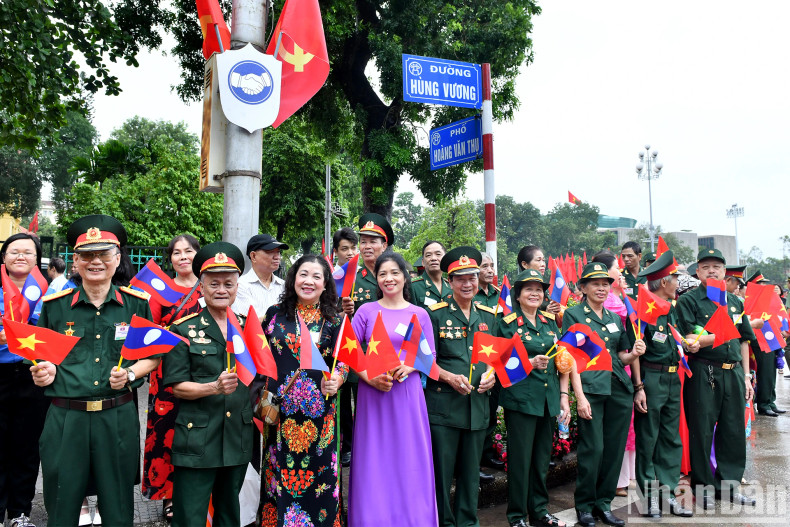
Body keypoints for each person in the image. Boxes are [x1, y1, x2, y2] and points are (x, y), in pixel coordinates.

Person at [31, 215, 159, 527]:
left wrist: (129, 375)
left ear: (118, 259)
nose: (95, 261)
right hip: (66, 419)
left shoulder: (136, 304)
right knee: (61, 506)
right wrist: (42, 373)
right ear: (74, 261)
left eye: (103, 254)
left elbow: (152, 355)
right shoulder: (55, 305)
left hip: (116, 417)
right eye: (86, 255)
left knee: (117, 508)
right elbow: (42, 358)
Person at [163, 242, 253, 527]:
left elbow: (259, 377)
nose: (222, 289)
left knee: (229, 515)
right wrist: (213, 388)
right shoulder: (183, 329)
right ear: (201, 286)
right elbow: (177, 386)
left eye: (229, 283)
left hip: (237, 436)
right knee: (190, 516)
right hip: (197, 439)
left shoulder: (248, 327)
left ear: (237, 286)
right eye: (214, 283)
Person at [349, 252, 438, 526]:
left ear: (404, 276)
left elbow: (430, 355)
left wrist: (411, 367)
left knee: (410, 457)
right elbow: (349, 354)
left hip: (408, 394)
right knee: (373, 458)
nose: (389, 278)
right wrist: (370, 377)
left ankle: (414, 518)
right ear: (377, 279)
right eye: (382, 274)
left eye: (394, 273)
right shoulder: (366, 311)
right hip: (373, 394)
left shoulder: (419, 313)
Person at [258, 255, 346, 527]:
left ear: (325, 283)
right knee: (279, 481)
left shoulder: (335, 320)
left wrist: (338, 379)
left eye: (316, 276)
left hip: (320, 419)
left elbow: (344, 361)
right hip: (280, 415)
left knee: (320, 482)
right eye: (303, 274)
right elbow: (259, 355)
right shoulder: (274, 314)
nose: (308, 281)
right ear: (293, 278)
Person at [565, 262, 645, 527]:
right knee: (593, 449)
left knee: (613, 450)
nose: (601, 288)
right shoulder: (573, 315)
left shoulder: (613, 318)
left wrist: (634, 353)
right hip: (591, 389)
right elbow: (571, 359)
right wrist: (579, 397)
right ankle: (585, 506)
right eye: (595, 283)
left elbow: (621, 356)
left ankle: (603, 504)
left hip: (618, 389)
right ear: (583, 288)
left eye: (605, 284)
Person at [676, 249, 756, 508]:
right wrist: (720, 335)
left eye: (717, 267)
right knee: (701, 430)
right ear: (697, 272)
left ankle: (729, 486)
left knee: (733, 430)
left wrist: (746, 376)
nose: (712, 271)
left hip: (733, 372)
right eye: (706, 266)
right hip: (704, 372)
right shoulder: (689, 301)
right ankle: (703, 488)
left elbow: (744, 339)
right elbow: (689, 341)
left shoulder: (734, 302)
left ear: (725, 272)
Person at [425, 247, 497, 527]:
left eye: (472, 277)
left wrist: (493, 375)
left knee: (470, 474)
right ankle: (444, 522)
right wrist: (448, 377)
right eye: (460, 279)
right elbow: (424, 361)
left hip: (477, 408)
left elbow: (496, 359)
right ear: (450, 281)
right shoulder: (435, 315)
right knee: (442, 475)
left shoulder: (489, 316)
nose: (467, 284)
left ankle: (468, 522)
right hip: (444, 409)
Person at [497, 268, 574, 527]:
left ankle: (539, 511)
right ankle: (517, 516)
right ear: (518, 295)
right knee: (520, 461)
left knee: (542, 460)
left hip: (547, 399)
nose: (534, 293)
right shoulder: (506, 323)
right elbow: (501, 364)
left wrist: (563, 396)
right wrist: (528, 362)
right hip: (521, 400)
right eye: (528, 289)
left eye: (539, 289)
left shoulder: (549, 321)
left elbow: (559, 360)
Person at [143, 234, 202, 521]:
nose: (182, 257)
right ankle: (168, 496)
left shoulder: (209, 288)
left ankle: (199, 494)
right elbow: (149, 334)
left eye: (188, 251)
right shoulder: (161, 292)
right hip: (166, 377)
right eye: (176, 253)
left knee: (198, 435)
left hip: (203, 374)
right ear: (170, 259)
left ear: (198, 255)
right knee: (167, 436)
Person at [631, 251, 694, 518]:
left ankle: (668, 494)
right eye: (675, 278)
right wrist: (638, 388)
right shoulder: (644, 312)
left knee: (670, 438)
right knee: (648, 439)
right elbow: (635, 351)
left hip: (671, 378)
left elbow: (678, 340)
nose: (678, 283)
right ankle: (649, 498)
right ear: (664, 283)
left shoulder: (671, 311)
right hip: (651, 379)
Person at [338, 213, 395, 466]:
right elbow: (329, 314)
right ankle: (351, 446)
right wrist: (341, 311)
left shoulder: (394, 273)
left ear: (384, 245)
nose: (367, 246)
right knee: (349, 404)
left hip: (386, 355)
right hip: (355, 353)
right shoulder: (347, 276)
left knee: (381, 406)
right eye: (363, 241)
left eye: (374, 241)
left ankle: (382, 448)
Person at [0, 234, 49, 527]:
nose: (20, 256)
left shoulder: (50, 291)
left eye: (27, 252)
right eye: (14, 251)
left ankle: (20, 513)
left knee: (28, 447)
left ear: (36, 259)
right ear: (4, 257)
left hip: (33, 375)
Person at [591, 251, 634, 499]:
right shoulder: (599, 308)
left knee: (622, 431)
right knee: (602, 437)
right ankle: (608, 484)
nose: (620, 271)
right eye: (617, 267)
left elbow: (624, 346)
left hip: (623, 369)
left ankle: (619, 480)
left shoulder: (620, 299)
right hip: (601, 374)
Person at [475, 252, 504, 473]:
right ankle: (473, 460)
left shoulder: (500, 295)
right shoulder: (469, 294)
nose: (490, 270)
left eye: (492, 266)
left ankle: (487, 452)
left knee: (492, 408)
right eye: (485, 266)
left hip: (498, 358)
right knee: (479, 410)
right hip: (477, 358)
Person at [746, 270, 783, 416]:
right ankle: (763, 403)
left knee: (771, 370)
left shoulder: (766, 299)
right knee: (765, 370)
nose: (764, 286)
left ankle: (770, 401)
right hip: (759, 338)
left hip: (770, 336)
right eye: (761, 284)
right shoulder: (750, 301)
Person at [232, 233, 288, 317]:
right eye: (271, 252)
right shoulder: (240, 286)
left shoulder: (284, 285)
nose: (277, 257)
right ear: (253, 256)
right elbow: (247, 322)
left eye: (278, 252)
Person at [516, 245, 561, 318]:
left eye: (543, 260)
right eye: (538, 260)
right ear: (524, 264)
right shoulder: (516, 289)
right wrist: (547, 314)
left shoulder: (544, 289)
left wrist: (554, 312)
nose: (543, 264)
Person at [411, 241, 453, 309]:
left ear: (445, 260)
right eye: (428, 255)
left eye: (438, 254)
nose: (433, 258)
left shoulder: (451, 287)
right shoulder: (412, 286)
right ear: (423, 262)